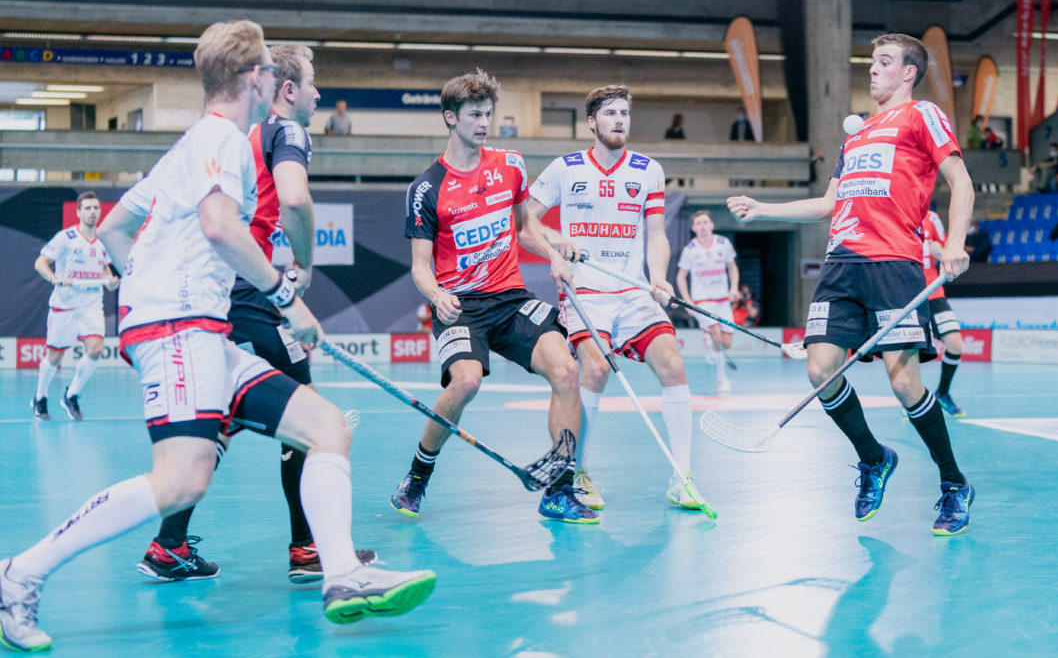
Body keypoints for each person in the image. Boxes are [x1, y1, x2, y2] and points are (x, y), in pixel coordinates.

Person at [0, 22, 435, 653]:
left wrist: (146, 288)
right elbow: (218, 226)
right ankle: (19, 573)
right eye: (266, 69)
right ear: (255, 78)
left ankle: (342, 576)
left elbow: (120, 227)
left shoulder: (190, 147)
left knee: (326, 427)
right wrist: (288, 299)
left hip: (197, 328)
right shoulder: (222, 141)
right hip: (181, 328)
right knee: (179, 481)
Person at [133, 44, 374, 584]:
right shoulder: (288, 132)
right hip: (250, 293)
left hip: (219, 293)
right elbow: (294, 199)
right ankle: (309, 551)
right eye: (312, 82)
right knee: (309, 422)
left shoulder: (231, 136)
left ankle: (168, 545)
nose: (318, 92)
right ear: (287, 90)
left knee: (226, 416)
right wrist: (302, 270)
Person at [728, 32, 977, 536]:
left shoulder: (922, 115)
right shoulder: (857, 134)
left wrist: (953, 243)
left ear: (909, 72)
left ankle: (953, 483)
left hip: (894, 263)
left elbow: (962, 181)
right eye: (871, 62)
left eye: (884, 62)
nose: (872, 69)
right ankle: (874, 457)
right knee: (820, 370)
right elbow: (827, 205)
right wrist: (763, 209)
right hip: (841, 264)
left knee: (905, 382)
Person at [389, 70, 588, 524]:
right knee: (465, 383)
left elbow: (523, 228)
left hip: (510, 298)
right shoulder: (426, 189)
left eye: (488, 114)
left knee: (567, 370)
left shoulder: (511, 165)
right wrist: (436, 294)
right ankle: (418, 474)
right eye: (474, 114)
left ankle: (559, 488)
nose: (483, 123)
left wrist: (553, 252)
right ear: (450, 118)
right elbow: (420, 267)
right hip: (459, 305)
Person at [529, 84, 704, 514]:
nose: (619, 120)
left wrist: (659, 277)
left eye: (624, 113)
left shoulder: (648, 170)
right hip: (585, 290)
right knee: (596, 368)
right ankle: (579, 472)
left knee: (675, 365)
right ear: (592, 122)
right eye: (610, 113)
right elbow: (524, 223)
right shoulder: (564, 168)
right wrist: (554, 246)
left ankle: (682, 478)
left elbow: (657, 234)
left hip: (632, 291)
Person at [30, 191, 118, 421]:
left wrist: (109, 281)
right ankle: (40, 398)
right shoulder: (65, 238)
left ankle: (71, 395)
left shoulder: (102, 241)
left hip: (91, 303)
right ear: (78, 212)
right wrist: (55, 278)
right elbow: (40, 262)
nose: (92, 212)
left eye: (95, 208)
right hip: (65, 304)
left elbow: (105, 268)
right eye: (87, 208)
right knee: (54, 357)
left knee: (96, 350)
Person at [676, 211, 740, 395]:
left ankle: (708, 341)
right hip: (702, 301)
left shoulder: (723, 243)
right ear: (693, 228)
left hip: (723, 300)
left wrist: (734, 288)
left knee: (726, 343)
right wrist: (688, 301)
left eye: (705, 222)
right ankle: (722, 380)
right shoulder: (690, 249)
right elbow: (681, 276)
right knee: (718, 339)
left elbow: (732, 267)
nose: (703, 226)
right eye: (698, 223)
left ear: (711, 225)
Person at [921, 208, 965, 417]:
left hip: (934, 292)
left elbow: (947, 251)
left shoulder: (932, 218)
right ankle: (912, 399)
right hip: (906, 294)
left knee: (955, 343)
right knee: (909, 352)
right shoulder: (896, 212)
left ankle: (943, 393)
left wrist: (941, 252)